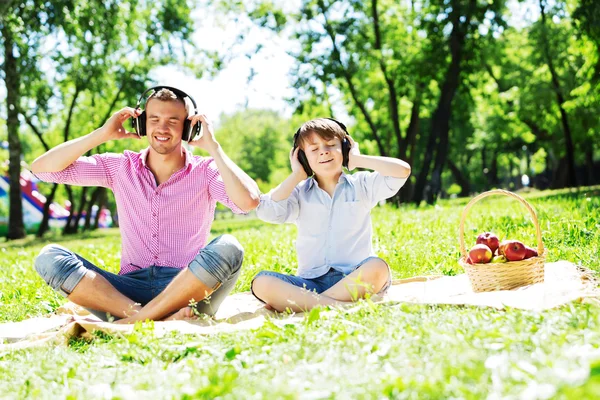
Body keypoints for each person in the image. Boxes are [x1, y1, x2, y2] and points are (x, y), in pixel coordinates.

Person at [31, 87, 260, 323]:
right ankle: (144, 317)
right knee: (49, 258)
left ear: (189, 128)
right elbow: (42, 170)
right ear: (141, 124)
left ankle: (136, 321)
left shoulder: (207, 170)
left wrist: (215, 148)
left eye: (173, 120)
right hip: (127, 291)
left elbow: (249, 201)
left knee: (229, 247)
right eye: (154, 119)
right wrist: (101, 134)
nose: (163, 128)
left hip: (188, 288)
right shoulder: (120, 167)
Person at [251, 118, 411, 312]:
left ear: (344, 149)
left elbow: (402, 171)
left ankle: (312, 304)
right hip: (309, 283)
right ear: (302, 158)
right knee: (261, 282)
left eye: (330, 145)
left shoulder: (362, 185)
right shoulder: (298, 192)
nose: (323, 152)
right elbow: (266, 212)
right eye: (314, 149)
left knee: (378, 267)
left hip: (354, 278)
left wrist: (358, 159)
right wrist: (296, 176)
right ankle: (336, 306)